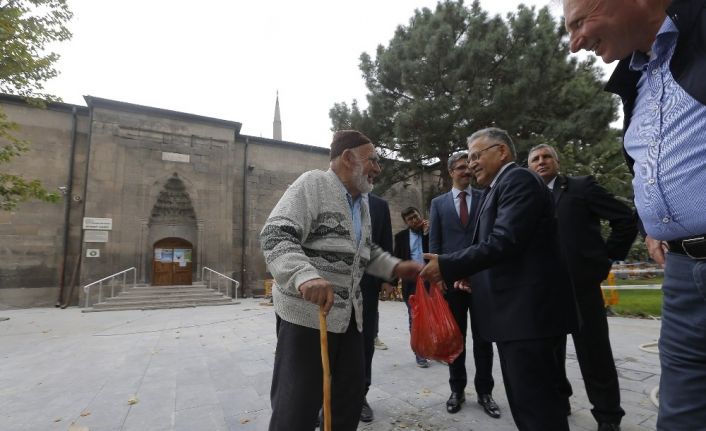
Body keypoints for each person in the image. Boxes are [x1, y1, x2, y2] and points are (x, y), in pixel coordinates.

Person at [562, 0, 706, 429]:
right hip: (681, 271)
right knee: (679, 414)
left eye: (580, 23)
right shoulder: (636, 80)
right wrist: (653, 223)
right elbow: (652, 162)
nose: (574, 44)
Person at [260, 130, 422, 431]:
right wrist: (304, 275)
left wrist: (395, 267)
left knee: (348, 398)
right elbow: (276, 234)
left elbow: (364, 251)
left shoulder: (361, 202)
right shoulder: (313, 184)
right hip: (308, 318)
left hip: (350, 319)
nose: (378, 168)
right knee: (296, 408)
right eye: (372, 160)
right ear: (348, 158)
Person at [420, 127, 578, 431]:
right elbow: (508, 250)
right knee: (525, 405)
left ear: (502, 151)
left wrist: (450, 265)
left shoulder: (517, 180)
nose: (472, 163)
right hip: (515, 318)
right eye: (468, 158)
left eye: (477, 155)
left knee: (537, 409)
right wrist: (472, 274)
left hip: (528, 317)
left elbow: (504, 241)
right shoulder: (498, 187)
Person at [528, 144, 638, 431]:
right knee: (550, 352)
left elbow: (624, 219)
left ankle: (608, 416)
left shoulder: (580, 187)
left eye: (546, 157)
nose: (541, 162)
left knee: (594, 353)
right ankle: (559, 401)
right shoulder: (528, 198)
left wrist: (603, 258)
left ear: (557, 161)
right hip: (544, 290)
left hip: (581, 287)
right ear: (529, 167)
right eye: (535, 159)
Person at [428, 152, 500, 418]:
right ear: (450, 172)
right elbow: (435, 244)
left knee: (484, 339)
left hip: (481, 282)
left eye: (468, 167)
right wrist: (439, 279)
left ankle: (485, 392)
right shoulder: (438, 204)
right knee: (454, 339)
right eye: (460, 168)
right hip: (451, 284)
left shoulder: (485, 198)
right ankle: (456, 389)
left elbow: (491, 238)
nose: (466, 172)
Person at [360, 193, 395, 423]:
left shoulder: (379, 205)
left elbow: (385, 241)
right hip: (332, 288)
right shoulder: (329, 194)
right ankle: (326, 398)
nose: (374, 168)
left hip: (367, 287)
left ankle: (359, 396)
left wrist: (388, 279)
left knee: (364, 343)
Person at [393, 206, 430, 368]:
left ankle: (435, 349)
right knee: (414, 319)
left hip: (431, 281)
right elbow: (397, 260)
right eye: (410, 219)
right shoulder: (401, 237)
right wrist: (392, 282)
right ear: (406, 222)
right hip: (412, 284)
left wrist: (428, 233)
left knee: (432, 316)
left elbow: (437, 251)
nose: (414, 220)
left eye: (416, 216)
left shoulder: (430, 232)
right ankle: (420, 353)